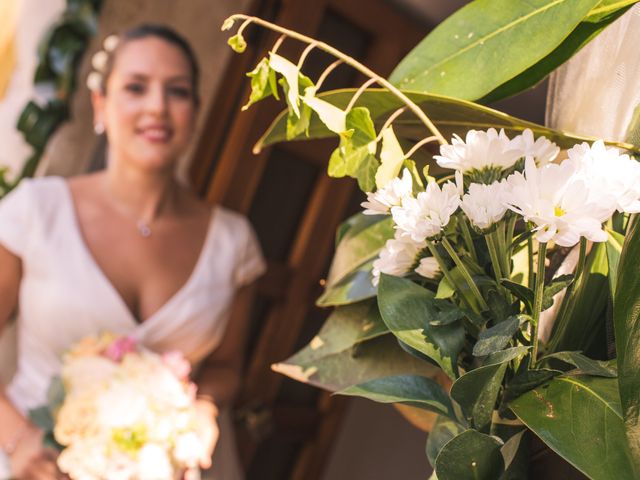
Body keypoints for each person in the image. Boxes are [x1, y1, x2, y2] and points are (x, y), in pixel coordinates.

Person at [0, 24, 265, 479]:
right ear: (101, 104)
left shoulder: (233, 244)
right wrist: (19, 440)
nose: (157, 107)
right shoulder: (36, 211)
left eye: (177, 92)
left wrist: (204, 406)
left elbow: (225, 367)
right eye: (136, 87)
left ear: (196, 112)